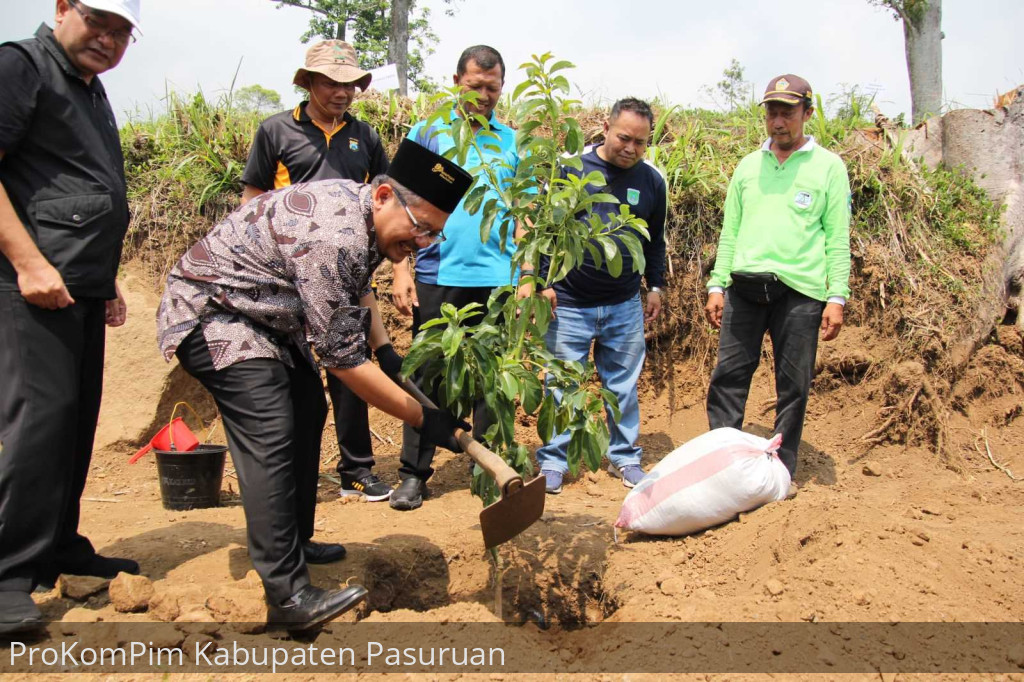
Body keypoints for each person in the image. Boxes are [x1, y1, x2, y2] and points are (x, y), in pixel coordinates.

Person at [156, 139, 472, 632]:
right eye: (421, 228)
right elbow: (343, 362)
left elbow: (357, 288)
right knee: (270, 427)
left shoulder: (363, 215)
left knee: (307, 407)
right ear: (385, 195)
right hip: (215, 312)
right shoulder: (333, 233)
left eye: (434, 235)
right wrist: (424, 418)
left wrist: (386, 351)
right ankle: (287, 596)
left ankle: (295, 539)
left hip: (266, 315)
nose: (424, 242)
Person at [0, 0, 142, 635]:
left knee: (76, 418)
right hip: (27, 285)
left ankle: (57, 546)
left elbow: (77, 187)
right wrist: (28, 263)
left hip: (78, 286)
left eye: (121, 32)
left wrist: (104, 276)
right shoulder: (21, 66)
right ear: (61, 8)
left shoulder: (88, 89)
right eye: (96, 22)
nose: (107, 39)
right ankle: (7, 574)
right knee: (39, 421)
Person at [241, 40, 395, 503]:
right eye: (331, 82)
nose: (342, 92)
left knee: (349, 363)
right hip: (286, 276)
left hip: (344, 271)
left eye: (350, 84)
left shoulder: (364, 138)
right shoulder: (276, 132)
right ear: (308, 82)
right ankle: (291, 471)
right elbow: (251, 201)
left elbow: (385, 199)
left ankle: (357, 469)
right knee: (293, 371)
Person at [389, 45, 524, 511]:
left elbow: (524, 212)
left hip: (499, 278)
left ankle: (485, 469)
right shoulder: (429, 132)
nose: (484, 96)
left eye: (492, 87)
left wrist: (525, 274)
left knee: (490, 378)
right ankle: (414, 473)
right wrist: (400, 268)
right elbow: (395, 201)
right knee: (431, 375)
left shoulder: (512, 140)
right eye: (475, 86)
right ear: (455, 82)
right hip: (438, 272)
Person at [704, 74, 851, 481]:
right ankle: (724, 464)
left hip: (801, 292)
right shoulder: (749, 167)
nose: (778, 121)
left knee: (793, 385)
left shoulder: (828, 168)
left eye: (788, 112)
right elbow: (729, 231)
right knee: (729, 377)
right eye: (772, 112)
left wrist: (836, 296)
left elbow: (837, 236)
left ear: (808, 112)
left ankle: (781, 470)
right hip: (744, 287)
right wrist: (717, 284)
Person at [531, 98, 668, 494]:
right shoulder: (570, 168)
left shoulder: (652, 181)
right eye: (624, 137)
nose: (631, 148)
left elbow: (654, 240)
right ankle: (554, 461)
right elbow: (543, 230)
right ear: (605, 128)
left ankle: (625, 458)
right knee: (560, 384)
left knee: (623, 385)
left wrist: (655, 286)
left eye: (640, 142)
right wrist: (543, 282)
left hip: (624, 304)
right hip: (568, 305)